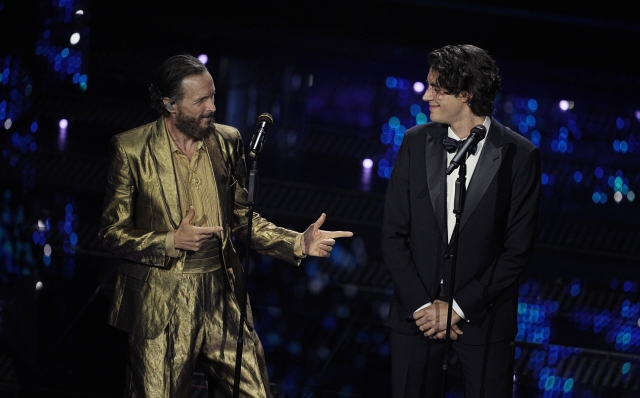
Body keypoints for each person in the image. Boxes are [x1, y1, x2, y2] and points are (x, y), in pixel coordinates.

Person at [98, 54, 353, 398]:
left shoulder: (227, 140)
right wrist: (170, 240)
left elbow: (241, 218)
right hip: (163, 300)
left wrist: (295, 242)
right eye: (201, 100)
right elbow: (112, 234)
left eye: (213, 96)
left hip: (221, 293)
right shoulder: (131, 149)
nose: (212, 107)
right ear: (169, 104)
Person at [381, 44, 541, 397]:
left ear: (466, 93)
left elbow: (517, 250)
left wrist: (456, 307)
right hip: (416, 319)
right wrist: (425, 307)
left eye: (437, 88)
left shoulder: (520, 155)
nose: (426, 96)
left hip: (484, 323)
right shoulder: (413, 142)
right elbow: (392, 235)